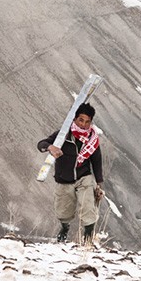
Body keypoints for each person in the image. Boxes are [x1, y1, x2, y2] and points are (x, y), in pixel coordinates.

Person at [37, 102, 104, 243]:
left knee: (88, 207)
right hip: (64, 179)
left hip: (84, 177)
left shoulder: (92, 139)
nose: (83, 124)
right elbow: (41, 144)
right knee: (63, 211)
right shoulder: (63, 135)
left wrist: (99, 183)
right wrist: (51, 147)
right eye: (81, 120)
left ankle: (88, 238)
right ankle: (64, 227)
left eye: (87, 121)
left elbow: (96, 161)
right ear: (74, 119)